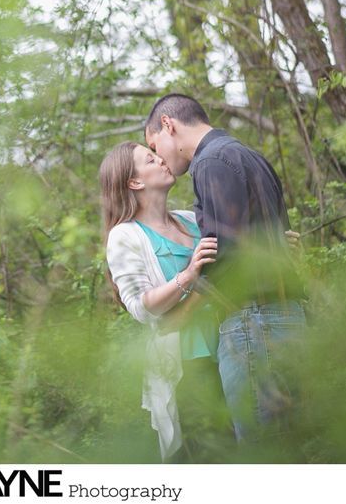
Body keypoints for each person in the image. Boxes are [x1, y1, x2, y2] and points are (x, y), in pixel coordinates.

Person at [143, 93, 306, 443]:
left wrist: (181, 314)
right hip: (288, 317)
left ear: (168, 126)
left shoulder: (210, 162)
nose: (161, 160)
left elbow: (229, 258)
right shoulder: (250, 155)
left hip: (253, 325)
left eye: (155, 147)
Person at [99, 140, 225, 462]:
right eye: (151, 159)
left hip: (231, 347)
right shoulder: (125, 236)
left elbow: (233, 256)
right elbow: (141, 307)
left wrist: (273, 244)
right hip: (189, 364)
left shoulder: (190, 219)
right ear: (135, 182)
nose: (162, 161)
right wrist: (190, 274)